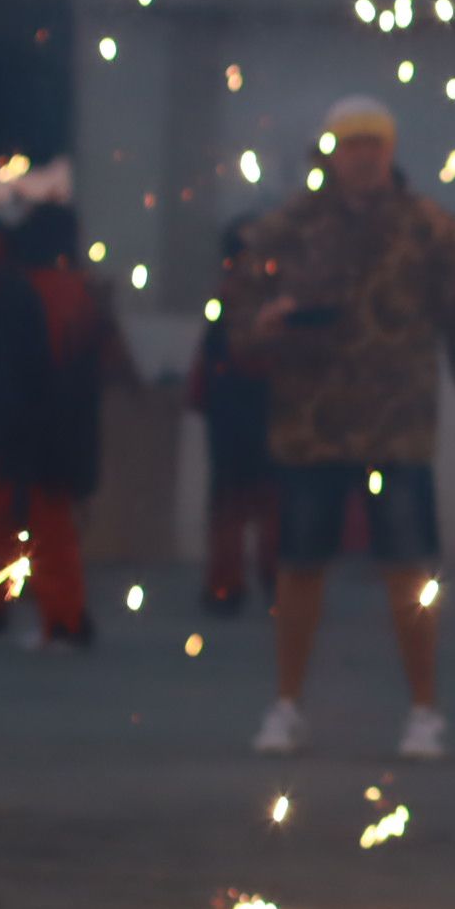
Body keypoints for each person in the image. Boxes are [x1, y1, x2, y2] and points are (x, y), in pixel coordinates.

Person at [221, 97, 455, 761]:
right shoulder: (284, 230)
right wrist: (258, 329)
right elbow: (236, 311)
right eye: (351, 144)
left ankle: (424, 709)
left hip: (396, 424)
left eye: (374, 144)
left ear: (391, 150)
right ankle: (287, 703)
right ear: (331, 151)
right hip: (312, 422)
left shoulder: (430, 230)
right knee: (298, 566)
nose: (363, 156)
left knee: (409, 568)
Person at [0, 202, 136, 647]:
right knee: (52, 529)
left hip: (15, 432)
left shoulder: (16, 290)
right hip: (66, 434)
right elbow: (112, 361)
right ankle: (64, 617)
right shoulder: (85, 293)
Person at [192, 216, 280, 616]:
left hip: (235, 411)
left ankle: (228, 585)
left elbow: (211, 359)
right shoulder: (273, 295)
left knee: (233, 502)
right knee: (267, 501)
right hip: (263, 407)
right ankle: (271, 583)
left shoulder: (228, 296)